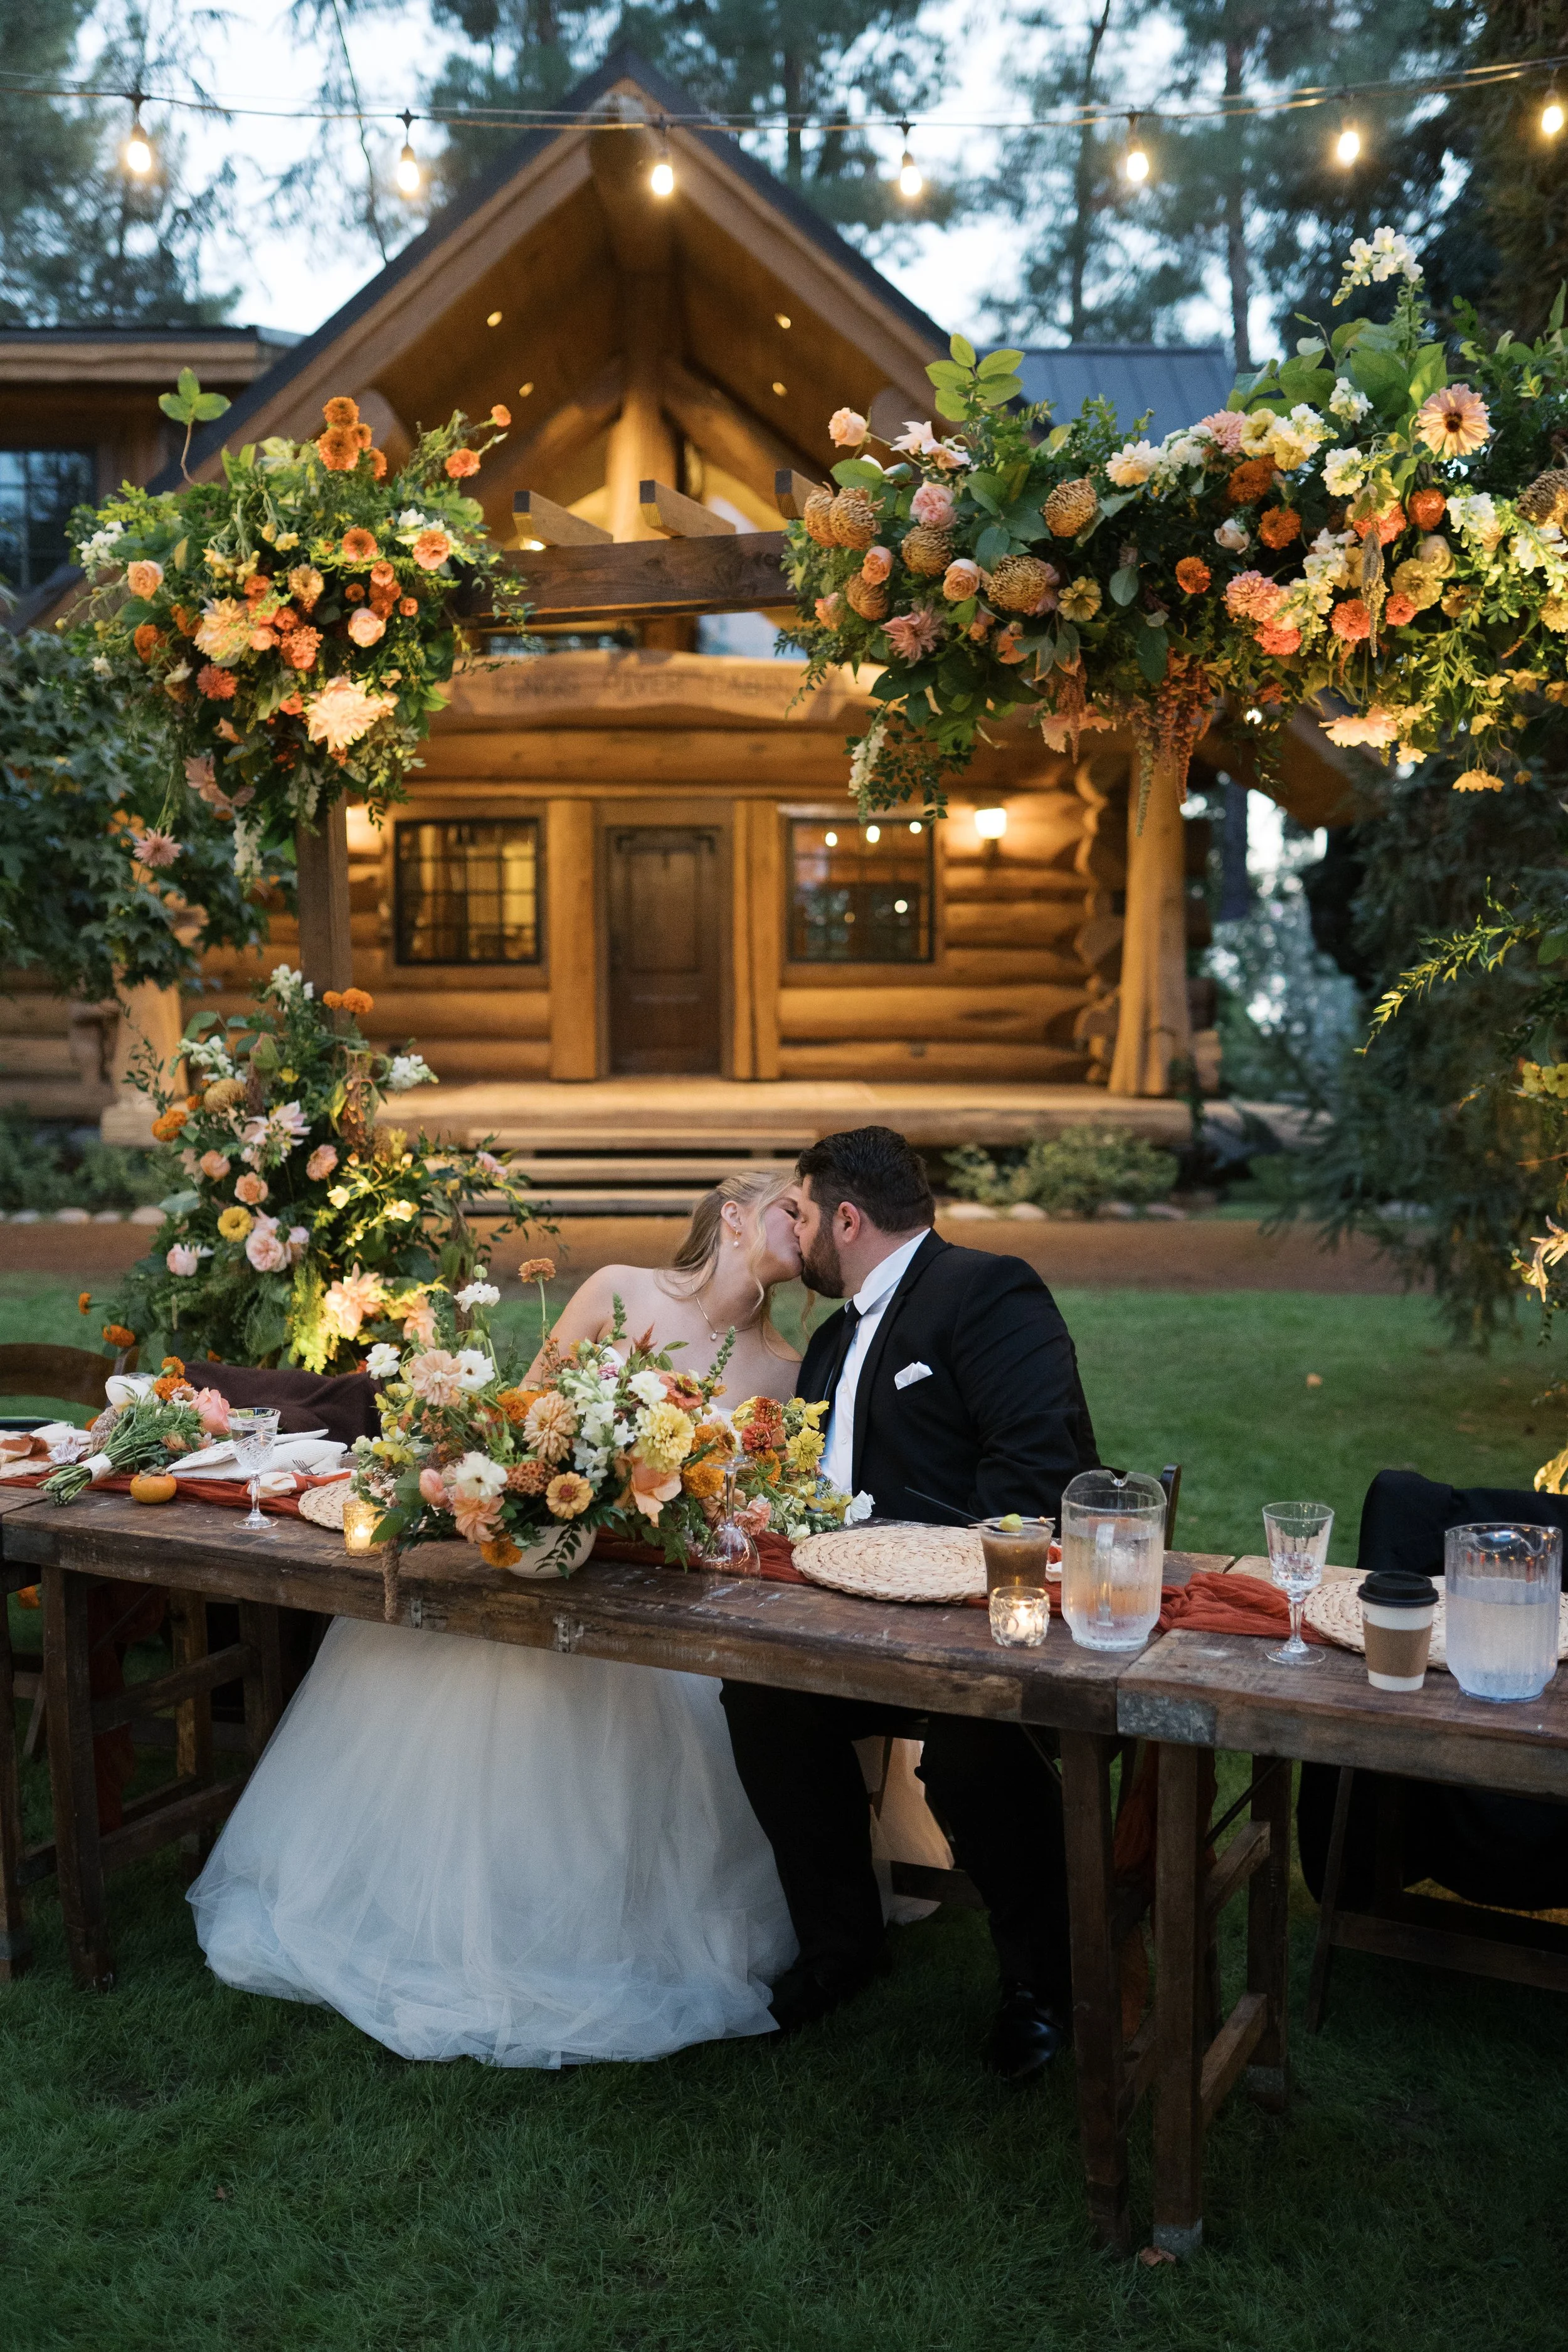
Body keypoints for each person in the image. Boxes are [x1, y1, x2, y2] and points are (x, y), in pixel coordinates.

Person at [188, 1174, 805, 2069]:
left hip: (663, 1597)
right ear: (738, 1214)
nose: (810, 1223)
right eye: (795, 1205)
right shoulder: (617, 1290)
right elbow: (521, 1417)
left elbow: (750, 1505)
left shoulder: (784, 1366)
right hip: (547, 1556)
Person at [719, 1126, 1101, 2082]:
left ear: (845, 1219)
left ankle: (1044, 1985)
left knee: (977, 1752)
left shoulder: (986, 1292)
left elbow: (1036, 1480)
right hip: (837, 1615)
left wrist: (897, 1568)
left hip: (981, 1617)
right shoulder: (830, 1340)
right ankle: (840, 1946)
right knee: (759, 1698)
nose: (793, 1231)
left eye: (801, 1213)